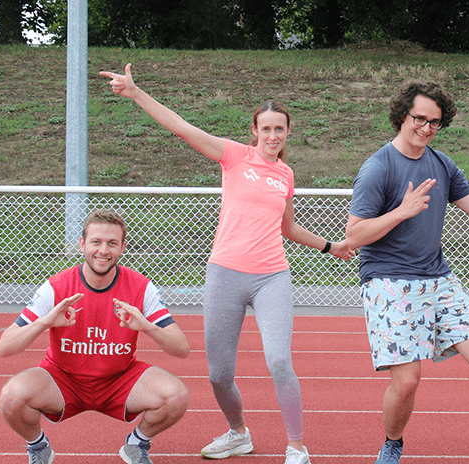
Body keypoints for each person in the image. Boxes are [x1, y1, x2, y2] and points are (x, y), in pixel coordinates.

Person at [99, 64, 355, 464]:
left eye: (279, 129)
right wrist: (135, 94)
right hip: (225, 274)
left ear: (288, 133)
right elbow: (182, 127)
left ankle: (297, 446)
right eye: (265, 129)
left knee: (279, 360)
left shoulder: (286, 174)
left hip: (272, 276)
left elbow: (287, 227)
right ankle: (238, 434)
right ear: (254, 131)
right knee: (219, 374)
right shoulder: (234, 156)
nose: (272, 136)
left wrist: (329, 246)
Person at [345, 80, 469, 464]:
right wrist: (401, 212)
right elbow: (354, 234)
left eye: (434, 122)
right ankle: (392, 443)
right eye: (419, 118)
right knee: (406, 381)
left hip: (438, 279)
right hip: (389, 280)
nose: (426, 127)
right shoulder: (378, 168)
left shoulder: (441, 164)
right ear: (402, 115)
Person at [0, 209, 190, 464]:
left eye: (112, 243)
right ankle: (39, 447)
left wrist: (147, 327)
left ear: (122, 247)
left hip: (118, 379)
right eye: (96, 242)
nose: (103, 251)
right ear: (82, 244)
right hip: (63, 379)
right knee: (11, 397)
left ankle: (136, 444)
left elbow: (181, 348)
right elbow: (4, 347)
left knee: (176, 396)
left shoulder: (140, 286)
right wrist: (45, 322)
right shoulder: (57, 286)